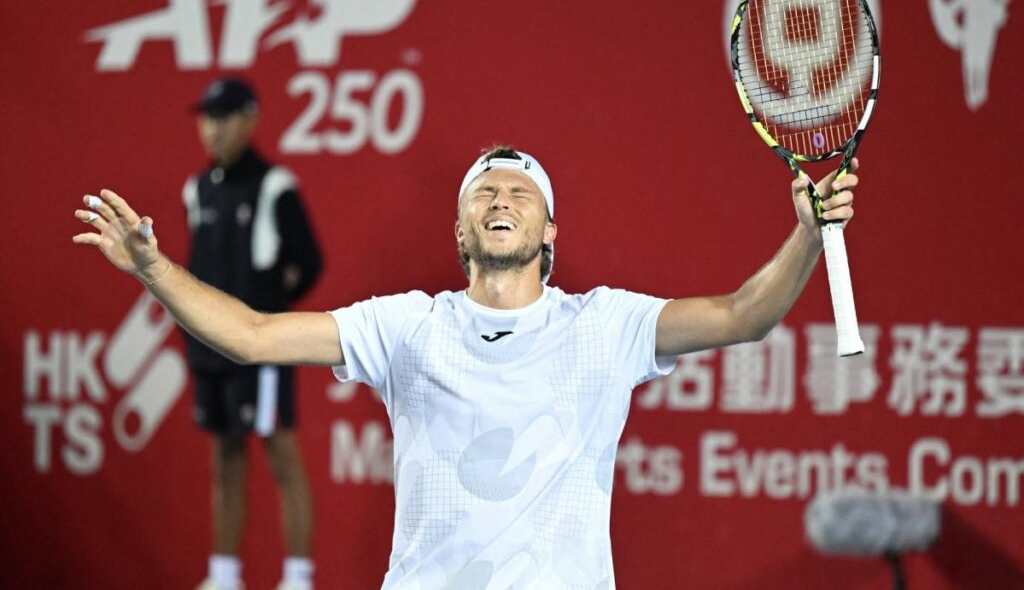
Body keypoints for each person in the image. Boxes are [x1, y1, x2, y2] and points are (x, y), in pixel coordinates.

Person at [74, 144, 859, 588]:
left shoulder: (605, 325)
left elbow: (744, 314)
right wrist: (154, 268)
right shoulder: (407, 325)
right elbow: (250, 335)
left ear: (550, 231)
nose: (501, 199)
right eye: (484, 192)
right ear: (460, 230)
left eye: (520, 191)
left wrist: (807, 235)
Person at [184, 77, 323, 590]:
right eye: (206, 117)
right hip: (209, 349)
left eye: (223, 117)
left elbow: (309, 263)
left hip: (262, 351)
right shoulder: (196, 189)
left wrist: (268, 311)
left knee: (282, 455)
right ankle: (223, 576)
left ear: (250, 119)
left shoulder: (275, 187)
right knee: (225, 458)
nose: (212, 128)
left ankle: (298, 579)